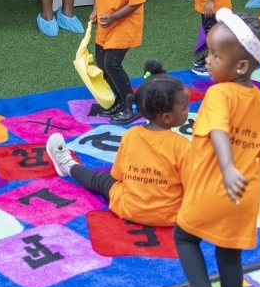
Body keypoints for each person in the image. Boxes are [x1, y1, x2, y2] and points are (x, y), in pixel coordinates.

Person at [175, 10, 260, 287]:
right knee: (230, 260)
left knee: (185, 237)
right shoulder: (258, 101)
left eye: (215, 55)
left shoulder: (219, 93)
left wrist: (228, 165)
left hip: (212, 189)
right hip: (243, 197)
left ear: (241, 67)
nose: (208, 60)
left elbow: (218, 128)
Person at [44, 63, 189, 225]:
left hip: (127, 207)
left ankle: (68, 166)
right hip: (170, 216)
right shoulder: (183, 146)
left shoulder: (131, 135)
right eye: (185, 107)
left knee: (101, 180)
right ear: (167, 117)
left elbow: (116, 176)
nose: (188, 110)